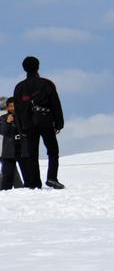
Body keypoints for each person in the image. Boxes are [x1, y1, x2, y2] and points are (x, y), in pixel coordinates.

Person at [12, 56, 65, 189]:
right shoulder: (47, 84)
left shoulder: (19, 87)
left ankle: (34, 182)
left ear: (24, 68)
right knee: (52, 150)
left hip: (28, 124)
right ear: (38, 67)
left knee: (32, 153)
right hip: (45, 119)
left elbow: (17, 111)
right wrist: (59, 123)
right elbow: (55, 104)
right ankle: (52, 178)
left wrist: (20, 128)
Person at [1, 97, 31, 190]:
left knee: (27, 175)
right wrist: (7, 122)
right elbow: (3, 131)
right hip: (7, 151)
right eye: (10, 106)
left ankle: (25, 190)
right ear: (7, 107)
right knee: (7, 176)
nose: (13, 108)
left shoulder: (24, 116)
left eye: (14, 106)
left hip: (22, 150)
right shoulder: (3, 118)